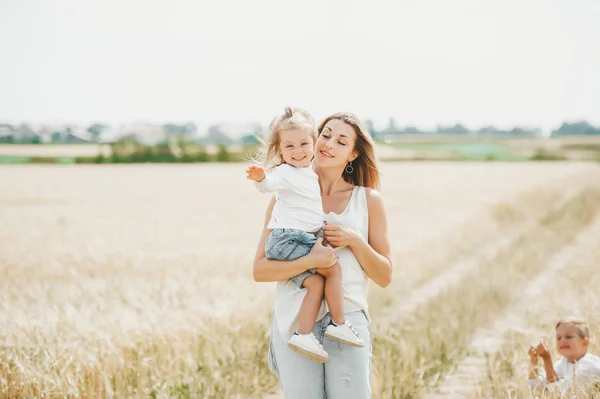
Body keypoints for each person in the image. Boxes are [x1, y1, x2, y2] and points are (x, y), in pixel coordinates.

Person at [253, 111, 393, 398]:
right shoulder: (285, 195)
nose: (329, 144)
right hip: (294, 320)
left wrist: (354, 240)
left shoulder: (368, 201)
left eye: (341, 141)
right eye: (326, 135)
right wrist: (311, 261)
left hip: (347, 320)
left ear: (352, 154)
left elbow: (384, 275)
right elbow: (260, 270)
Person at [246, 107, 364, 363]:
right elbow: (270, 185)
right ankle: (339, 323)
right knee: (332, 269)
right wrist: (260, 179)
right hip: (289, 238)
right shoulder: (286, 173)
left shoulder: (307, 173)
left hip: (295, 238)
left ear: (313, 144)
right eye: (289, 147)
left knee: (316, 283)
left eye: (303, 144)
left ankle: (303, 333)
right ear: (280, 151)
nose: (298, 151)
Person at [528, 318, 600, 396]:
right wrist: (534, 360)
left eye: (568, 337)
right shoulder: (563, 363)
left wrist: (547, 359)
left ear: (585, 342)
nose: (562, 340)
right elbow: (534, 388)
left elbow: (558, 393)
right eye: (558, 338)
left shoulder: (591, 367)